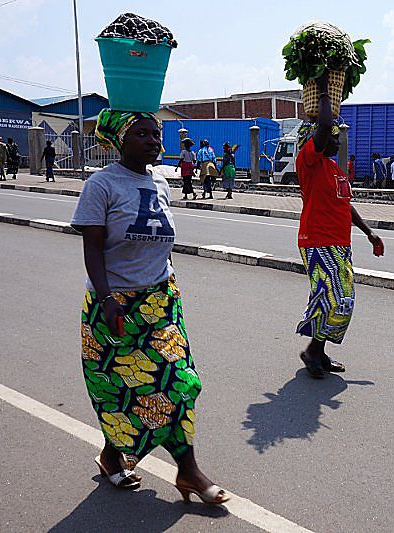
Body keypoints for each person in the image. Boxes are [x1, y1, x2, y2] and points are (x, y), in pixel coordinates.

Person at [70, 109, 229, 505]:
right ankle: (114, 455)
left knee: (180, 383)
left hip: (160, 302)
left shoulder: (161, 181)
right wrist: (107, 300)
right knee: (123, 390)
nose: (155, 141)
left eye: (156, 134)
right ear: (120, 141)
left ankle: (187, 469)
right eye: (143, 134)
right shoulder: (101, 185)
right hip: (114, 306)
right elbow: (92, 248)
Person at [295, 73, 385, 379]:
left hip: (339, 243)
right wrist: (322, 90)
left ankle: (317, 351)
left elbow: (344, 205)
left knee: (341, 300)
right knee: (332, 298)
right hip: (317, 241)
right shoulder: (309, 161)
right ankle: (312, 352)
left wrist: (368, 232)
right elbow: (321, 127)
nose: (336, 139)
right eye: (333, 135)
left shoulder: (334, 169)